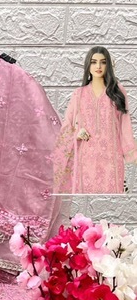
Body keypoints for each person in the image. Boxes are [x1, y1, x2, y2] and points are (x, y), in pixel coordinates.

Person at [53, 46, 137, 193]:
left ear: (108, 65)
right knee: (84, 199)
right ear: (88, 65)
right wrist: (77, 133)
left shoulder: (117, 92)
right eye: (94, 62)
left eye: (103, 62)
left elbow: (125, 126)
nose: (98, 66)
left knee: (112, 199)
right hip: (85, 160)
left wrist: (132, 154)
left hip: (112, 159)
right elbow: (67, 126)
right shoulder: (79, 94)